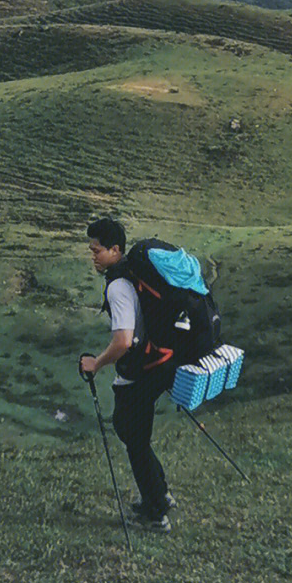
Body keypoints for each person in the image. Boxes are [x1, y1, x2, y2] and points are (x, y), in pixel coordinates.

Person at [79, 216, 175, 532]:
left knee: (132, 437)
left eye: (97, 250)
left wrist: (97, 363)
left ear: (115, 250)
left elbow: (122, 340)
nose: (92, 255)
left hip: (139, 371)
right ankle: (160, 494)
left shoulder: (118, 287)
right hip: (157, 365)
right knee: (135, 434)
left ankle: (155, 513)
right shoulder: (132, 275)